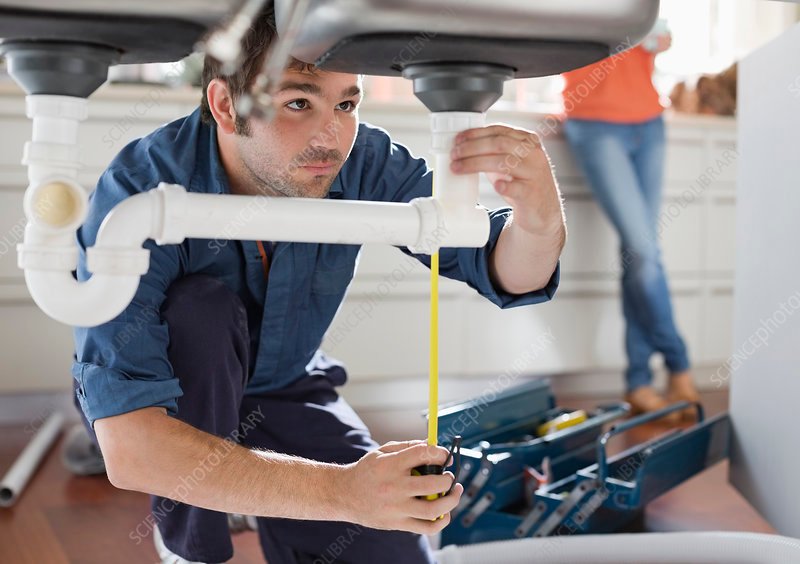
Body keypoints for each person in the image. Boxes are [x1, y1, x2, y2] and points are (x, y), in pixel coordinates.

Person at [71, 9, 566, 564]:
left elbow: (504, 268)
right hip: (176, 395)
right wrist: (340, 493)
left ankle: (254, 484)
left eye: (347, 104)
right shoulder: (140, 189)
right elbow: (131, 448)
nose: (332, 137)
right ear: (225, 105)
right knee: (201, 311)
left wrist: (540, 221)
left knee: (395, 553)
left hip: (285, 384)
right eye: (299, 103)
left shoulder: (360, 159)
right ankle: (188, 542)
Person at [561, 24, 699, 420]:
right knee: (644, 251)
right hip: (595, 121)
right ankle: (680, 365)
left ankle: (639, 381)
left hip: (650, 121)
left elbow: (661, 39)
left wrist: (655, 36)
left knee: (637, 255)